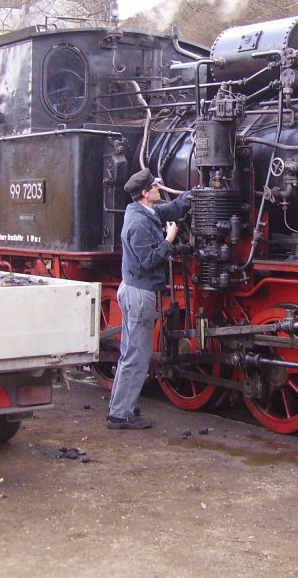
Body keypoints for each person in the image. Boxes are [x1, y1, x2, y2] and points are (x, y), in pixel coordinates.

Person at [107, 168, 192, 429]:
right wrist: (169, 238)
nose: (160, 187)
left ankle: (120, 409)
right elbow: (149, 260)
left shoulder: (143, 212)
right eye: (156, 186)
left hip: (138, 290)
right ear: (145, 193)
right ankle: (120, 415)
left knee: (132, 353)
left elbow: (170, 210)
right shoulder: (138, 223)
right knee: (136, 355)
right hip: (139, 293)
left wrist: (192, 196)